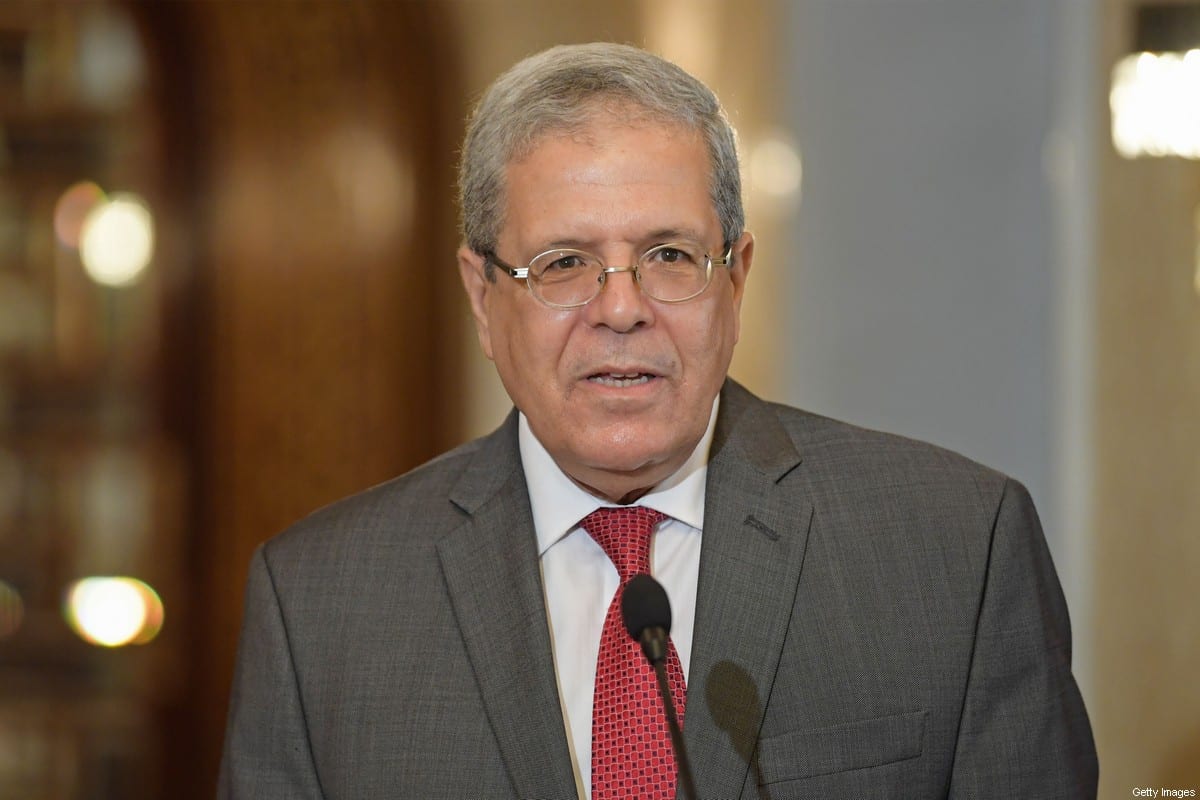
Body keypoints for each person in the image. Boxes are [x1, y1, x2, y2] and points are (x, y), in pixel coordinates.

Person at [218, 42, 1097, 799]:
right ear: (483, 299)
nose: (622, 309)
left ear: (736, 277)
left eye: (669, 255)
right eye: (564, 264)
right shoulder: (321, 607)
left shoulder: (953, 550)